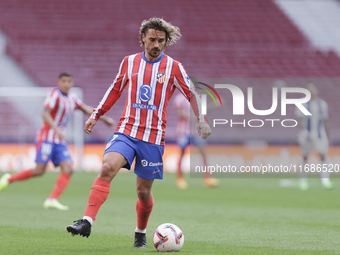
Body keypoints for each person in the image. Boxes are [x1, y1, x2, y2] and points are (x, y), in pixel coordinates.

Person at [66, 17, 211, 248]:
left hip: (153, 138)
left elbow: (192, 93)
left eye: (161, 41)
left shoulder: (174, 67)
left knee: (143, 192)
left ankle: (140, 232)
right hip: (127, 130)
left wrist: (201, 120)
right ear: (143, 37)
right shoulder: (129, 62)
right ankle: (86, 221)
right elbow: (114, 89)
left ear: (166, 42)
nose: (156, 44)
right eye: (152, 39)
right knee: (107, 167)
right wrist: (95, 114)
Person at [0, 72, 115, 210]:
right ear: (59, 83)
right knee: (39, 170)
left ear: (72, 83)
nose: (66, 84)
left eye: (69, 81)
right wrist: (56, 128)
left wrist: (104, 118)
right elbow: (45, 113)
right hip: (47, 138)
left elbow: (86, 109)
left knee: (68, 168)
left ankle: (52, 199)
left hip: (59, 140)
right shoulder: (54, 94)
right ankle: (8, 179)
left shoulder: (72, 97)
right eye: (63, 81)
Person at [174, 92, 220, 189]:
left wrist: (214, 104)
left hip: (196, 131)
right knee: (182, 154)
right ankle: (179, 178)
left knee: (203, 153)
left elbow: (202, 111)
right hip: (184, 132)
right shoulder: (179, 98)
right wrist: (195, 118)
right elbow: (181, 113)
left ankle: (208, 178)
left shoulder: (197, 98)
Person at [295, 83, 333, 190]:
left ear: (317, 90)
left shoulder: (322, 104)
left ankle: (325, 181)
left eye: (313, 89)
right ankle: (303, 181)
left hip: (320, 135)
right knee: (305, 157)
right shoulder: (302, 103)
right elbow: (300, 120)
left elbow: (325, 121)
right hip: (307, 135)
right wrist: (305, 132)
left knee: (322, 156)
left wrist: (328, 136)